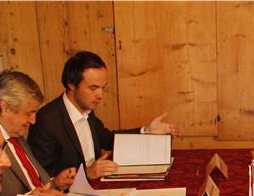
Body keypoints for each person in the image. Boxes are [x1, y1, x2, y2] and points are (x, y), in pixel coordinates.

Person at [28, 51, 180, 180]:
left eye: (102, 88)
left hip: (97, 186)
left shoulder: (86, 109)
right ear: (71, 84)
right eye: (93, 88)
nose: (100, 95)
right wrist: (86, 174)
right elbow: (42, 176)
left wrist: (147, 131)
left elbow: (107, 139)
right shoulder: (46, 121)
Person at [0, 70, 73, 196]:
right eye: (29, 113)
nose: (33, 120)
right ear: (3, 107)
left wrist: (55, 184)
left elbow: (36, 187)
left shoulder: (18, 138)